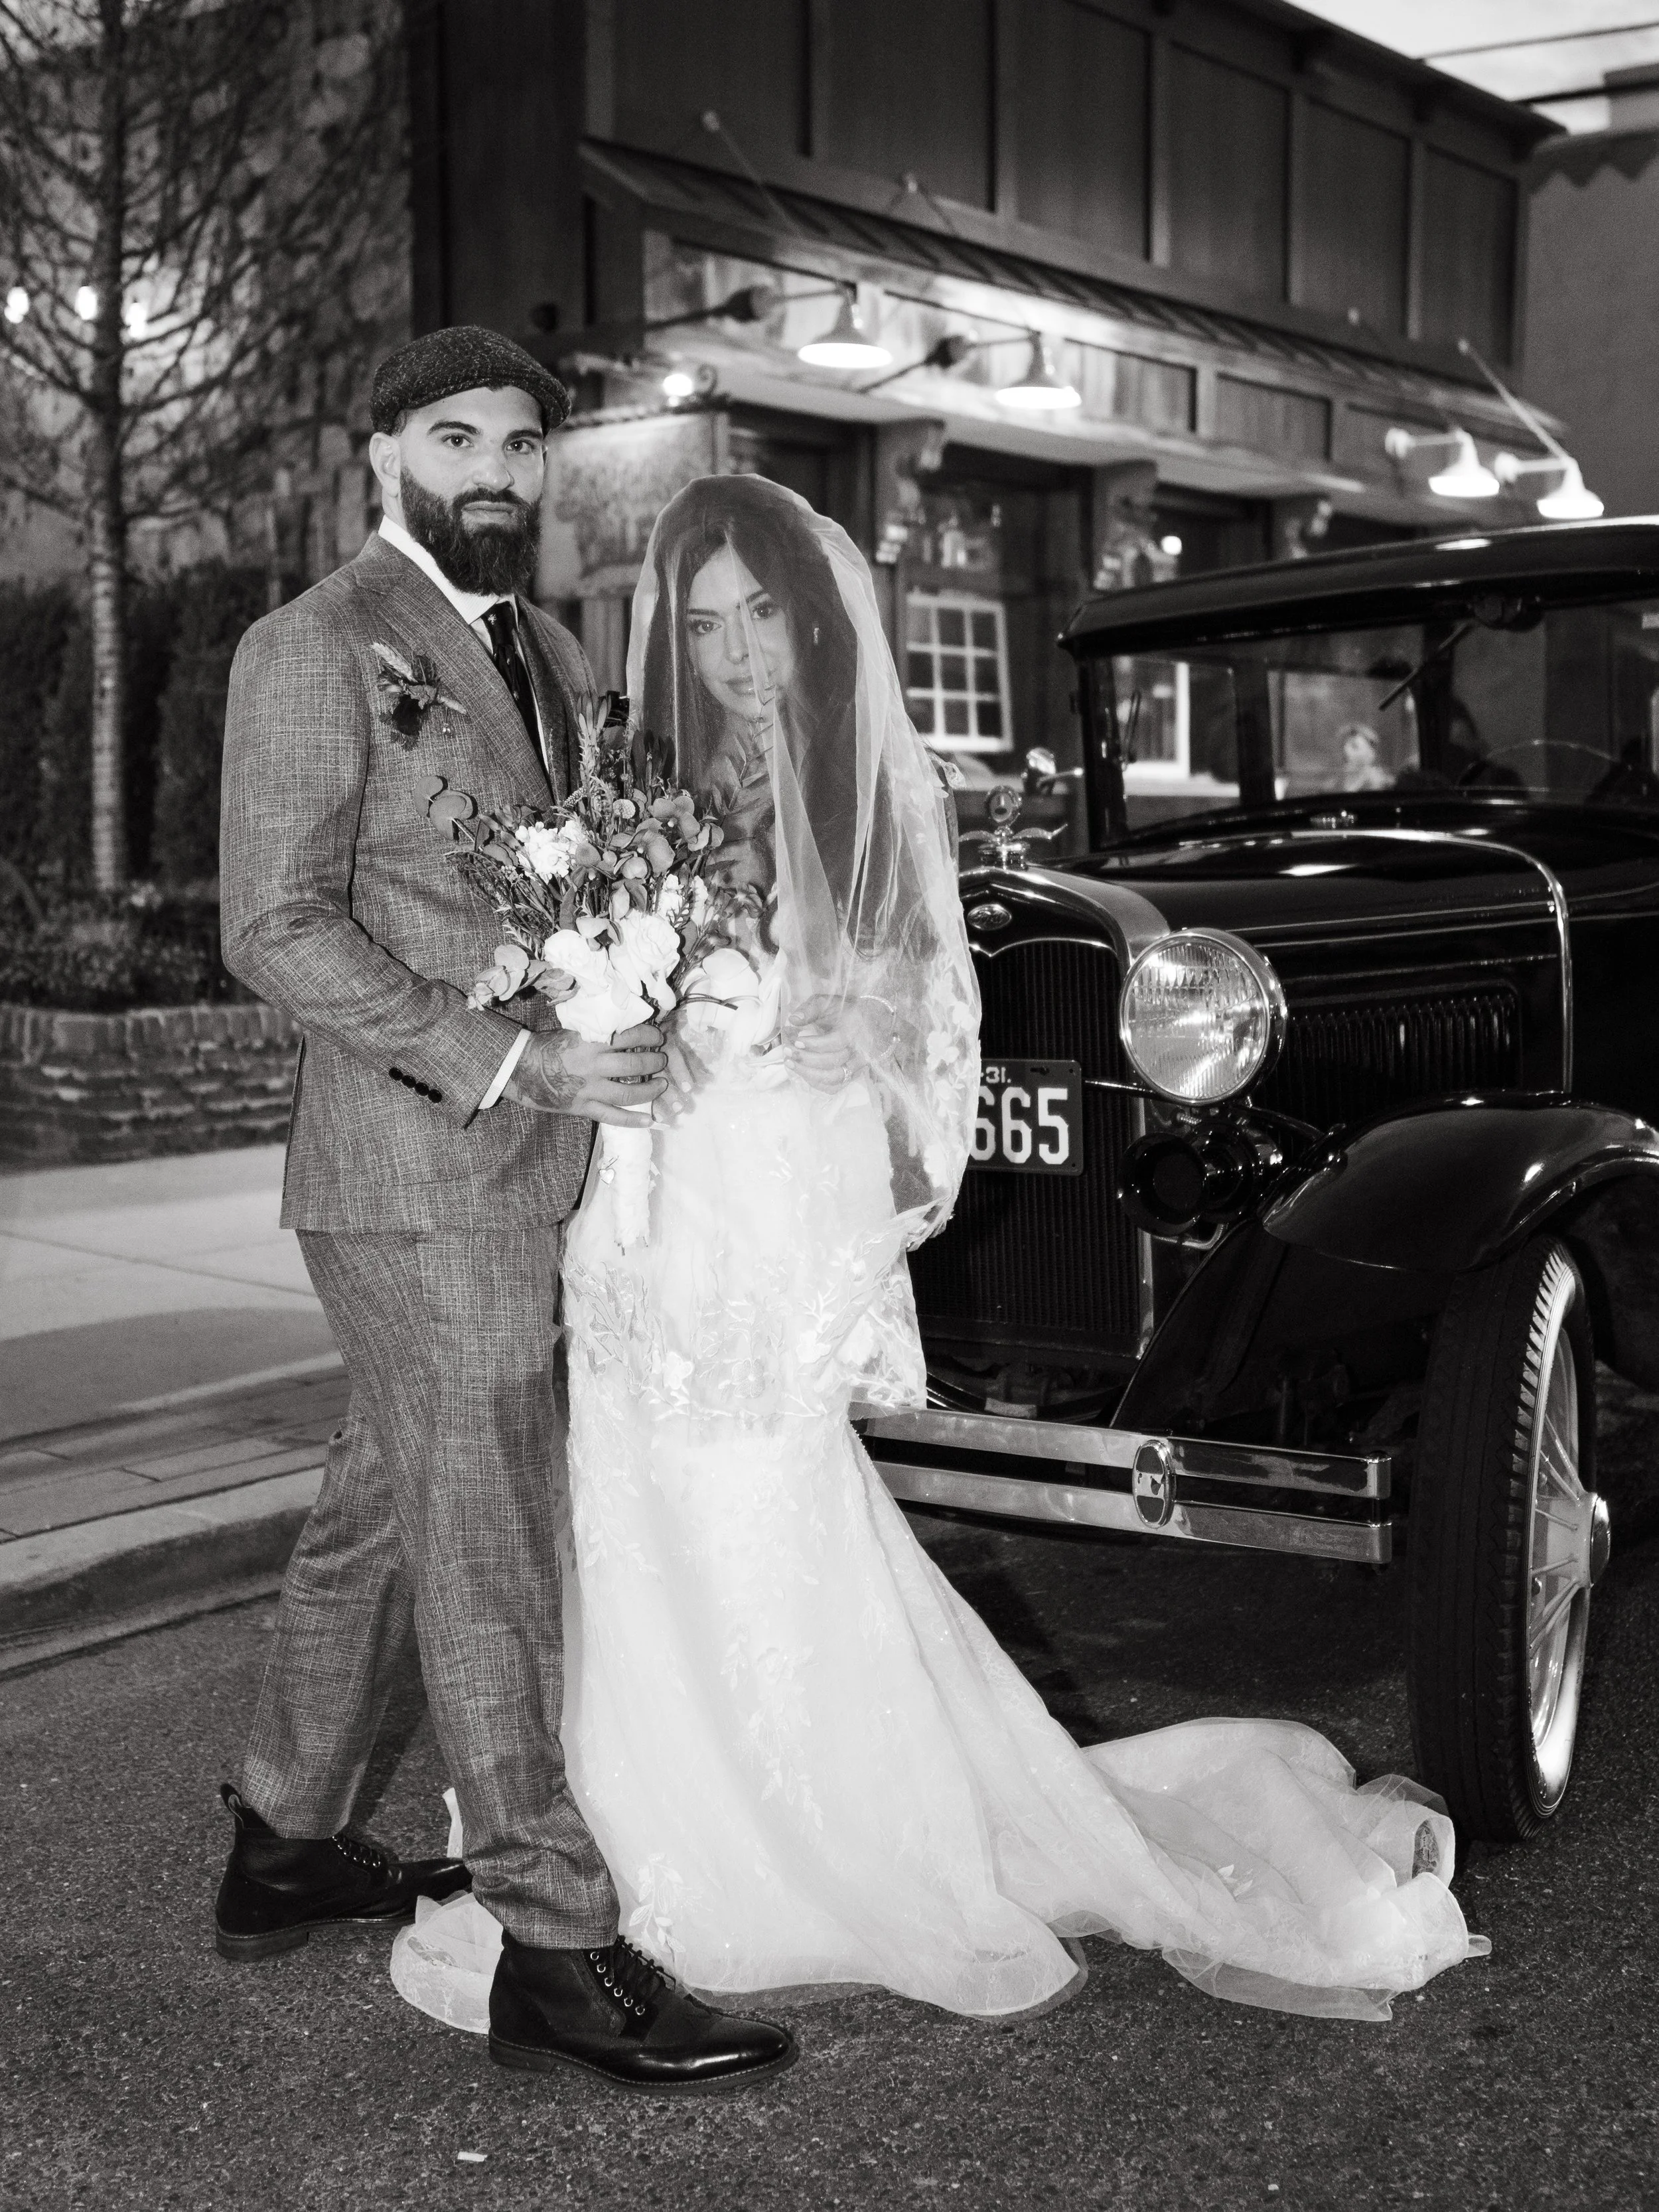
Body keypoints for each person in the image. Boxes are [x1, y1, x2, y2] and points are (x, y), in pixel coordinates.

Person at [392, 475, 1487, 2033]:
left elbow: (915, 1033)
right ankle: (613, 1840)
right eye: (700, 626)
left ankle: (810, 1838)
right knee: (623, 1511)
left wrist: (822, 1043)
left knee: (757, 1504)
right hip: (640, 1218)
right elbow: (594, 994)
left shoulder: (862, 792)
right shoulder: (648, 795)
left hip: (763, 1213)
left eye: (759, 616)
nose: (731, 656)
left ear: (815, 617)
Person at [215, 331, 794, 2097]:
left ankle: (285, 1836)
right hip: (412, 1172)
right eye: (457, 436)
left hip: (523, 1165)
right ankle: (556, 1945)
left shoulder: (533, 646)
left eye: (526, 443)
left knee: (380, 1513)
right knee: (492, 1561)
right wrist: (507, 1063)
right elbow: (275, 926)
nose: (498, 471)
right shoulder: (311, 644)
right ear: (381, 449)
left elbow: (560, 881)